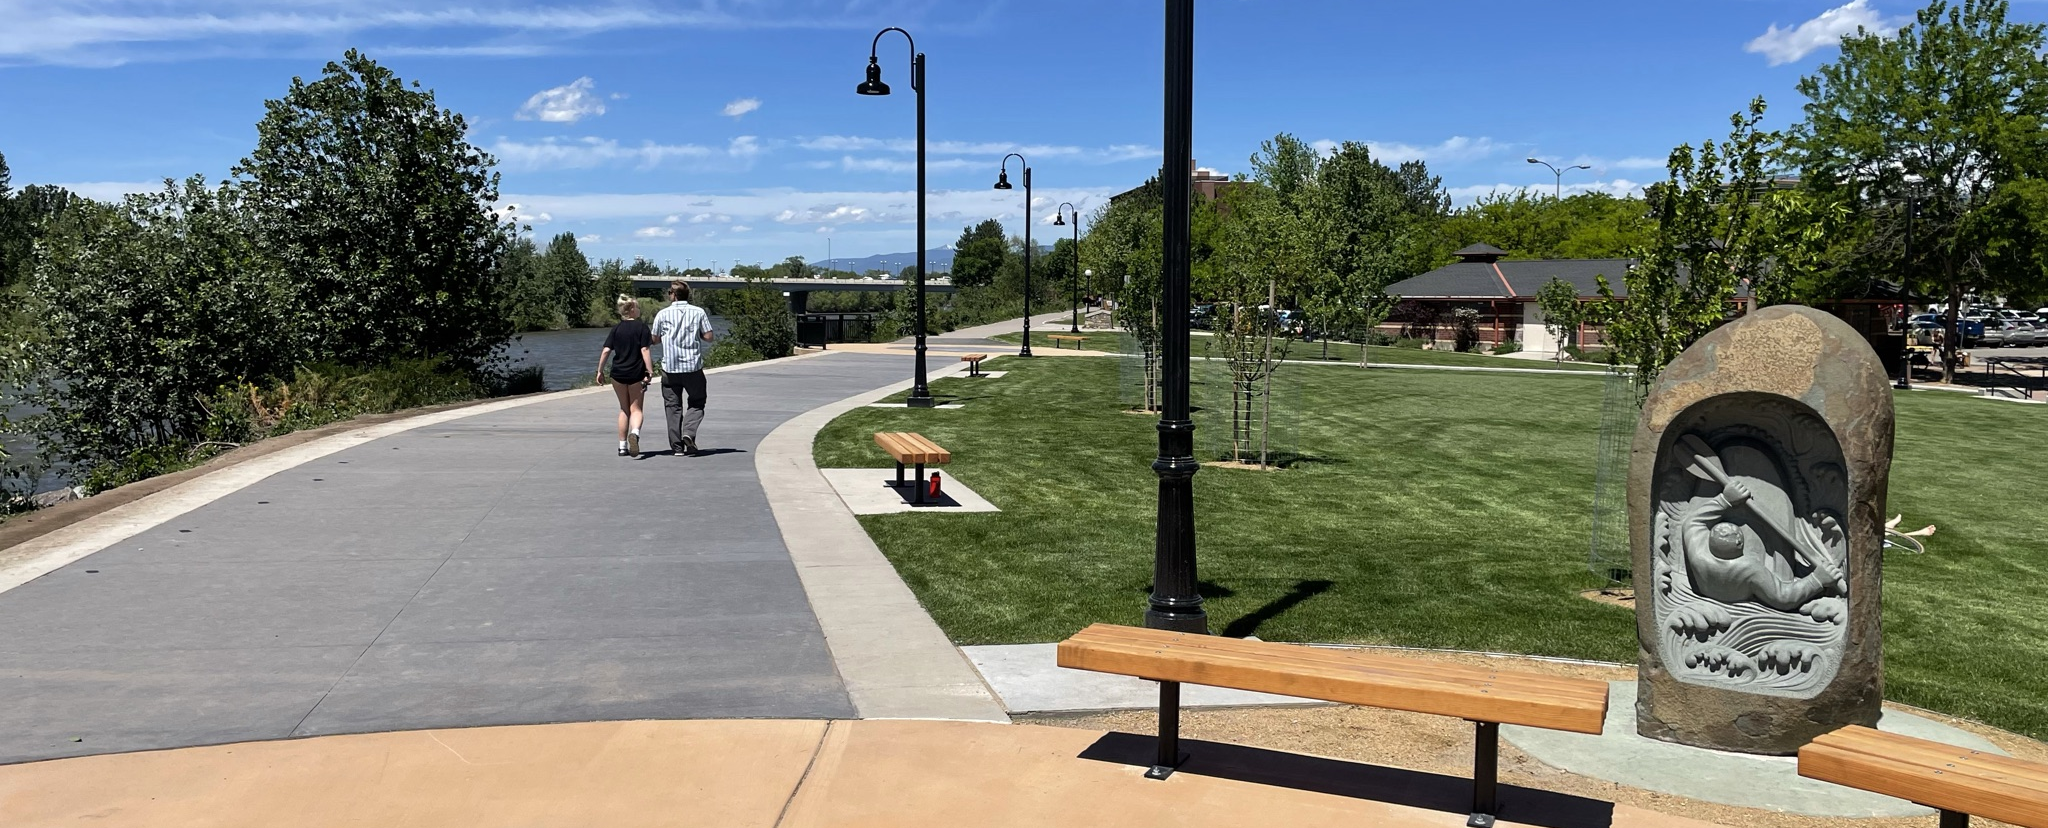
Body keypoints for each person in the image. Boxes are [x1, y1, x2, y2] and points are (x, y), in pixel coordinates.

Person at [650, 280, 714, 456]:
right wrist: (697, 334)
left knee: (672, 407)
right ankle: (689, 431)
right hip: (692, 367)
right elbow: (709, 336)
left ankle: (677, 447)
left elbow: (654, 340)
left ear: (672, 294)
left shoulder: (662, 314)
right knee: (697, 401)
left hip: (670, 368)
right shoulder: (698, 312)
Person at [596, 295, 653, 457]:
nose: (639, 309)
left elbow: (606, 350)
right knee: (636, 409)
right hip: (636, 374)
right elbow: (645, 350)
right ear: (632, 310)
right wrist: (649, 371)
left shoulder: (616, 329)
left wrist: (600, 371)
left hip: (618, 374)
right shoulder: (642, 328)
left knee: (624, 408)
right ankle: (634, 433)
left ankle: (622, 446)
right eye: (638, 307)